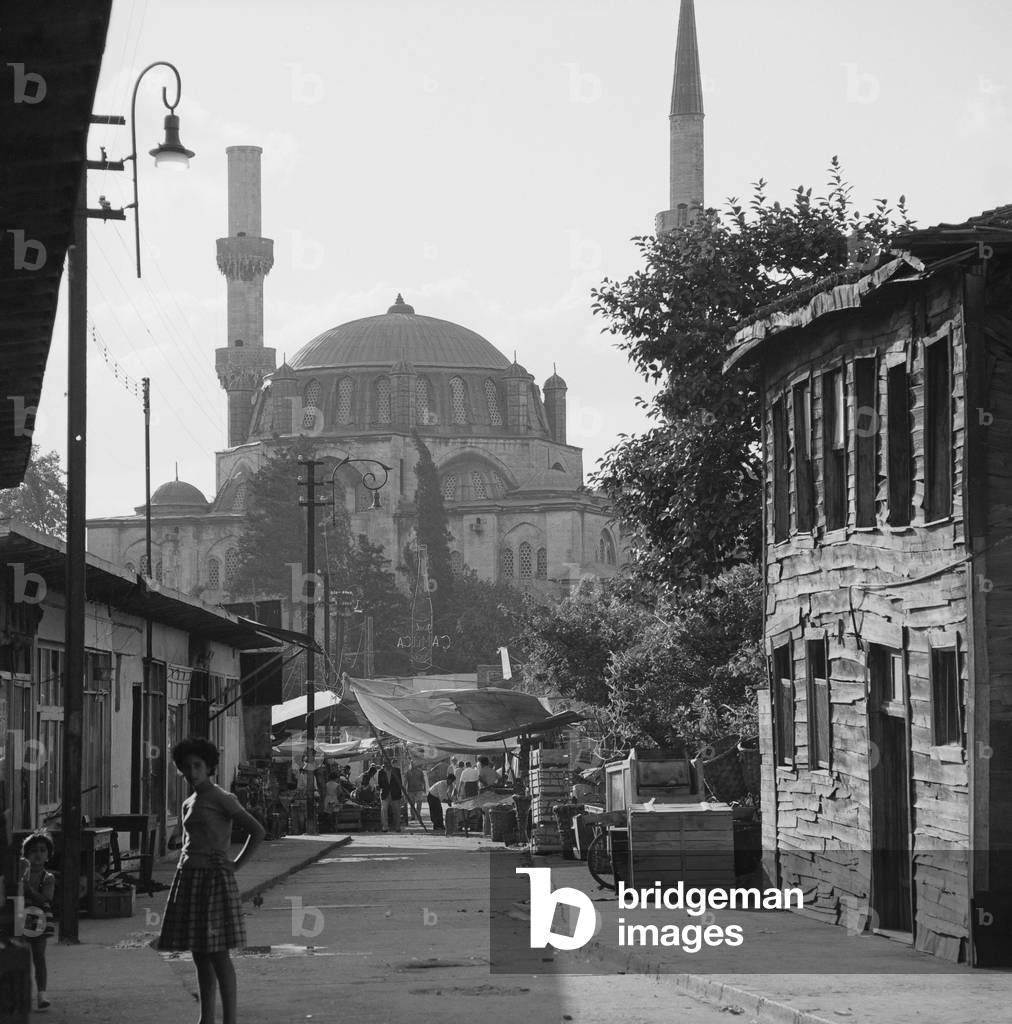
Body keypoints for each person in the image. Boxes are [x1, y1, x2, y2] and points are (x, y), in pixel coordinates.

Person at [157, 737, 266, 1024]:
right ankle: (206, 1019)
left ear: (209, 768)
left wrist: (235, 865)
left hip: (215, 882)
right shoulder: (188, 802)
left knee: (218, 954)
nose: (192, 772)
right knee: (199, 954)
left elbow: (257, 831)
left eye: (198, 766)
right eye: (186, 766)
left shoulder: (221, 797)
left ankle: (229, 1019)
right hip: (190, 880)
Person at [19, 831, 56, 1011]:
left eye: (42, 850)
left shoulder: (48, 878)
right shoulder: (20, 874)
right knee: (21, 957)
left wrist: (29, 890)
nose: (38, 854)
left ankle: (42, 993)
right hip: (20, 917)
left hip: (38, 918)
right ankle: (22, 994)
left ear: (48, 855)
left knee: (38, 957)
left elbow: (46, 899)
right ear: (26, 855)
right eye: (33, 851)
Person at [376, 763, 404, 832]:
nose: (387, 766)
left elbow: (399, 783)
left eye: (388, 764)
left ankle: (397, 827)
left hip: (395, 794)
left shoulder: (396, 771)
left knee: (397, 811)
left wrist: (400, 793)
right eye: (385, 764)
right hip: (385, 794)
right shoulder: (381, 772)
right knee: (384, 810)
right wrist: (379, 787)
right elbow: (380, 783)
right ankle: (385, 827)